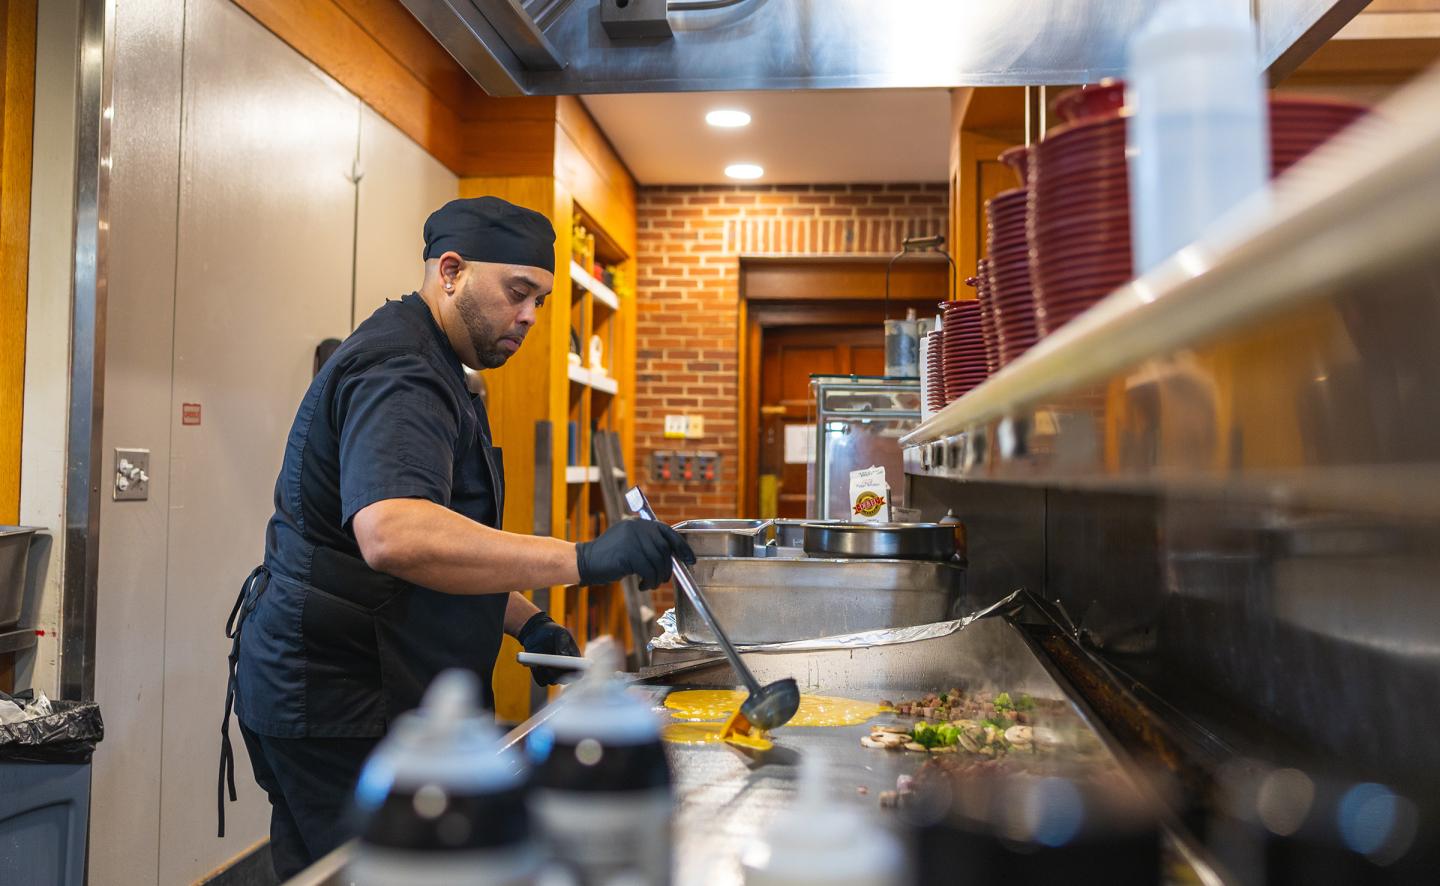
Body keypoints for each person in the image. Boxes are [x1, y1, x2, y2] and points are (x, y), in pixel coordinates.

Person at [217, 196, 694, 879]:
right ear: (450, 271)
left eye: (541, 300)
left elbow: (444, 543)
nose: (530, 316)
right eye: (517, 292)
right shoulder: (402, 371)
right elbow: (397, 534)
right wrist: (582, 559)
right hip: (340, 696)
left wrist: (528, 622)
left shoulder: (438, 367)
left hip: (339, 686)